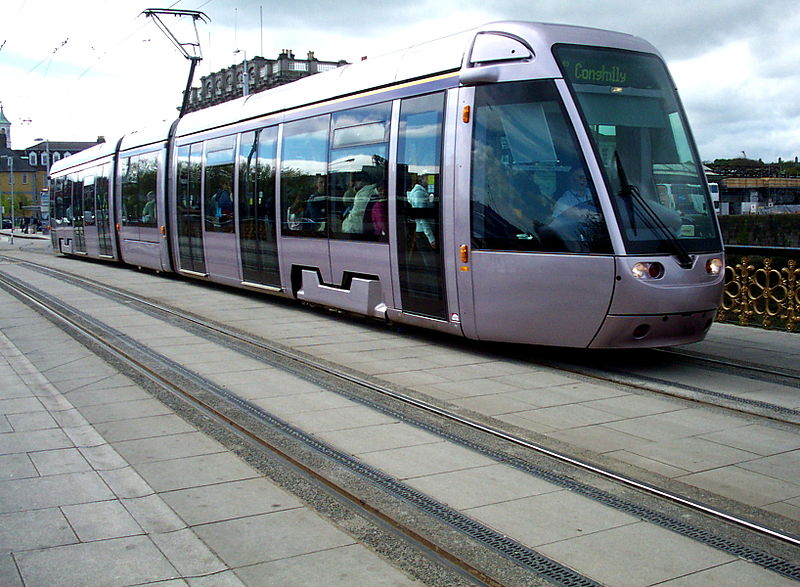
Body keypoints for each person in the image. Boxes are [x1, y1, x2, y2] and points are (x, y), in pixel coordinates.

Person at [407, 175, 436, 249]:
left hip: (424, 232)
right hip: (423, 234)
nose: (430, 180)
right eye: (428, 177)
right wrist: (431, 238)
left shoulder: (423, 192)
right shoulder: (419, 194)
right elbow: (422, 217)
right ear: (421, 179)